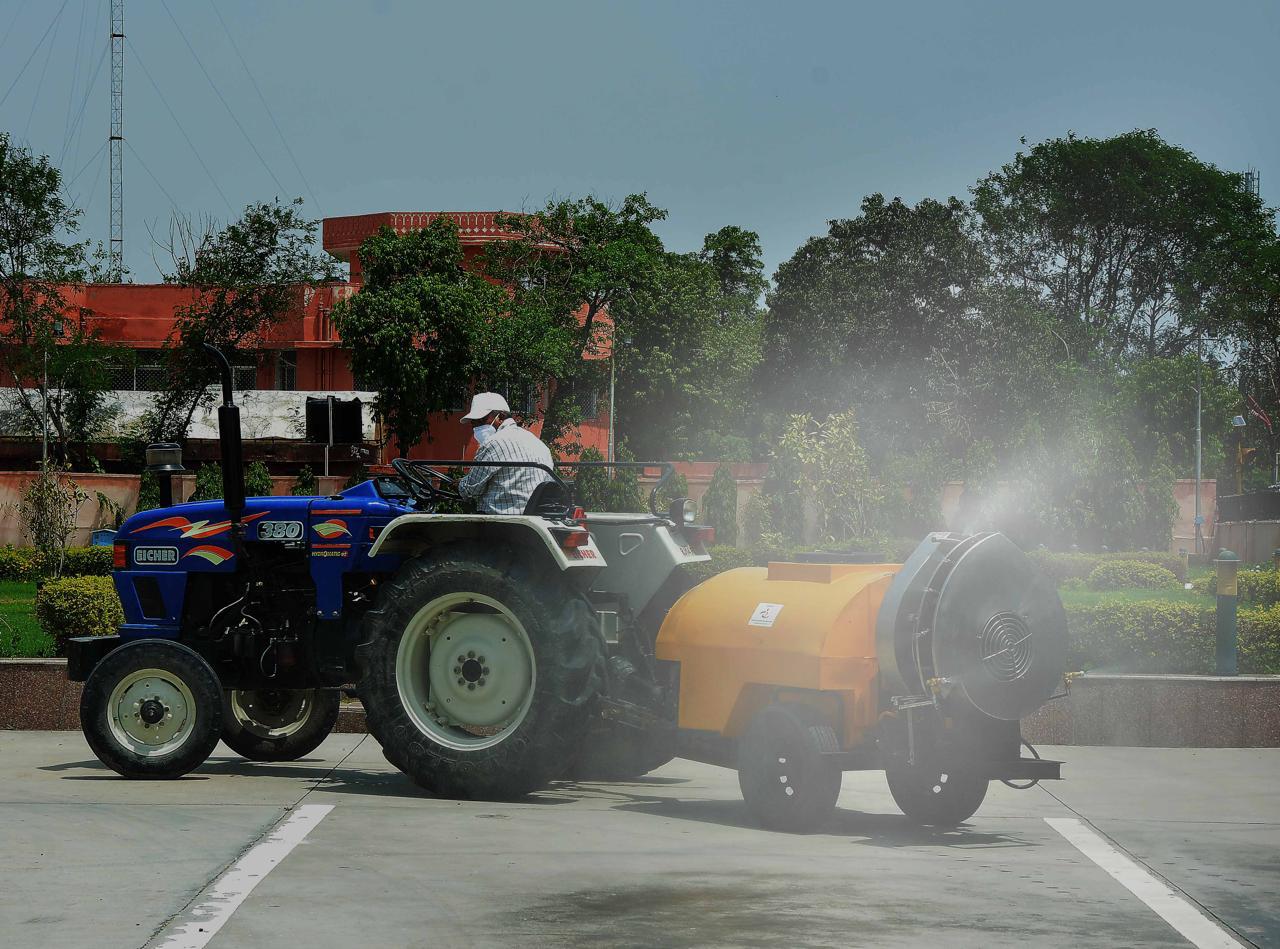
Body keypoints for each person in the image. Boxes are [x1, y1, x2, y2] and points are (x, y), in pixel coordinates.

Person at [457, 392, 554, 514]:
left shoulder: (492, 444)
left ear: (501, 416)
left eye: (481, 420)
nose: (476, 427)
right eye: (473, 423)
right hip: (535, 517)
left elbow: (471, 489)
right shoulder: (538, 443)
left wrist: (458, 484)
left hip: (501, 522)